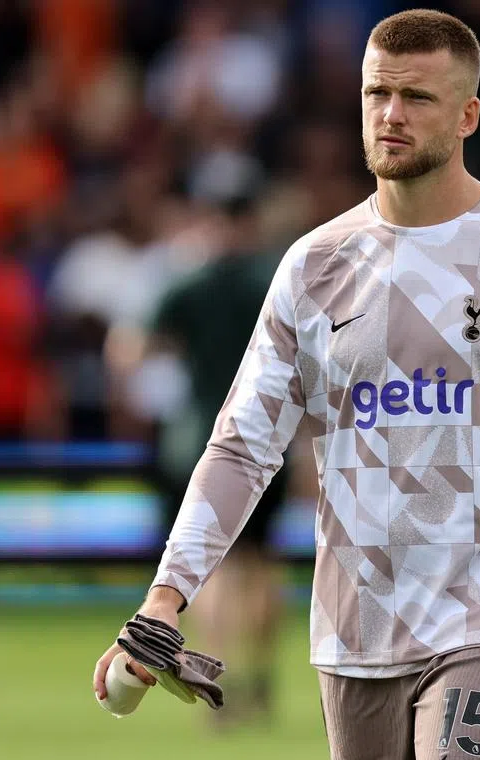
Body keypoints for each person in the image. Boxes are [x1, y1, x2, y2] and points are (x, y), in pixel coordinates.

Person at [94, 10, 480, 759]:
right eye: (376, 94)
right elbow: (242, 447)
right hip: (356, 625)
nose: (391, 115)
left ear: (468, 114)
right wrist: (163, 599)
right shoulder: (314, 267)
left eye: (417, 97)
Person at [149, 191, 291, 725]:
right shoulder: (269, 280)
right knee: (262, 565)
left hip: (203, 441)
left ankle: (217, 682)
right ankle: (260, 677)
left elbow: (134, 347)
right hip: (270, 439)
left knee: (217, 571)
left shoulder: (189, 281)